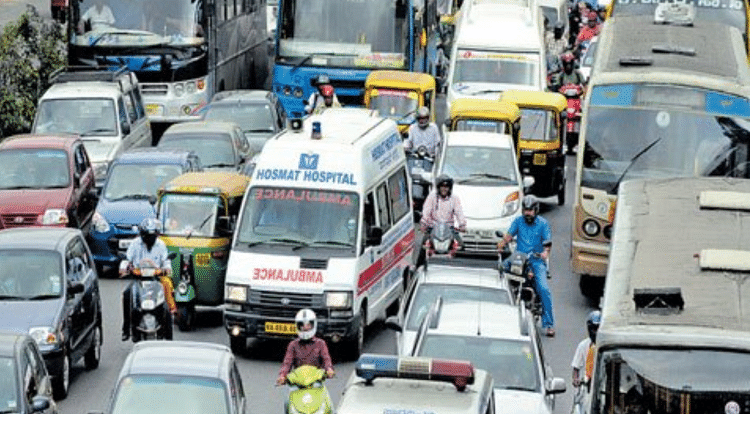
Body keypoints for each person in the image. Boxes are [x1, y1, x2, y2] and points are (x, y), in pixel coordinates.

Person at [497, 195, 555, 336]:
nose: (528, 213)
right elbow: (509, 236)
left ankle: (549, 324)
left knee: (544, 289)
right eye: (526, 210)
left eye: (530, 210)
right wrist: (502, 244)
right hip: (518, 258)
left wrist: (545, 253)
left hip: (536, 260)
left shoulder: (543, 224)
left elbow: (547, 243)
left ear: (536, 210)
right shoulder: (518, 221)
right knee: (500, 270)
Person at [120, 218, 175, 341]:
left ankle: (167, 327)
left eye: (152, 236)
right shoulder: (135, 244)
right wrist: (124, 268)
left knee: (165, 297)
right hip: (138, 278)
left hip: (156, 278)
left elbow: (166, 261)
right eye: (147, 236)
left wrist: (167, 269)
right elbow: (126, 259)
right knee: (127, 293)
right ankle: (126, 328)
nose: (149, 239)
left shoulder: (161, 245)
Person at [276, 309, 335, 385]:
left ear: (313, 325)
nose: (305, 327)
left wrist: (329, 369)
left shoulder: (320, 343)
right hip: (298, 384)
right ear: (298, 326)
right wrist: (282, 376)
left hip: (316, 383)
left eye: (308, 325)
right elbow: (287, 363)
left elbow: (326, 359)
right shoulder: (293, 345)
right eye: (302, 325)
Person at [419, 174, 467, 245]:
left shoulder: (454, 198)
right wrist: (423, 223)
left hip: (449, 228)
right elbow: (427, 210)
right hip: (433, 227)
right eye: (442, 186)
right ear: (438, 187)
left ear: (450, 188)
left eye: (446, 187)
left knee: (461, 244)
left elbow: (459, 212)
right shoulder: (432, 196)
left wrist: (462, 225)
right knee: (423, 244)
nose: (444, 189)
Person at [571, 310, 601, 388]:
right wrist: (575, 379)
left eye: (598, 329)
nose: (595, 333)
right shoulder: (583, 345)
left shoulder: (607, 346)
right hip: (587, 384)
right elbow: (576, 366)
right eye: (593, 329)